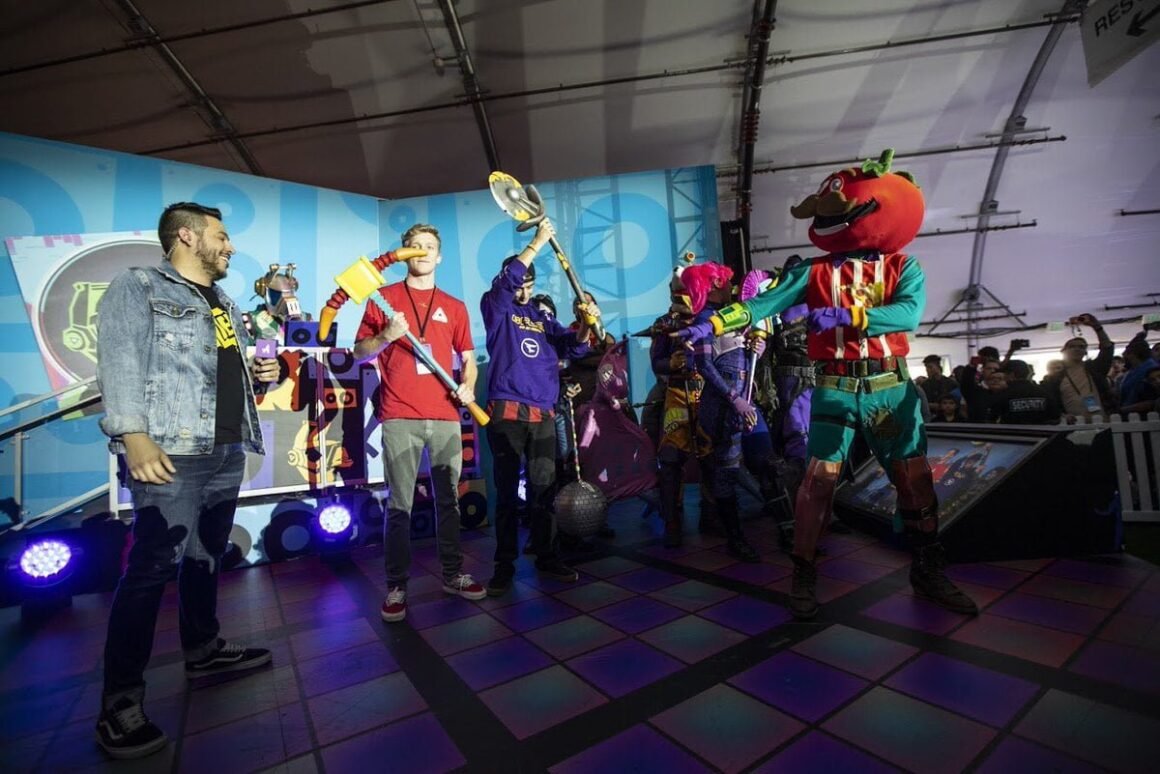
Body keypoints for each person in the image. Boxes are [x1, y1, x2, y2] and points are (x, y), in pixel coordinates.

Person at [675, 149, 976, 620]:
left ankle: (927, 568)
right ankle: (803, 573)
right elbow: (762, 304)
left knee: (913, 481)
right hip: (835, 388)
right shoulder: (813, 272)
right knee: (817, 483)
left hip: (889, 388)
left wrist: (850, 316)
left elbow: (908, 314)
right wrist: (711, 324)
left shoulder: (903, 267)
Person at [94, 202, 280, 759]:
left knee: (205, 556)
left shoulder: (224, 302)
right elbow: (119, 359)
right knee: (152, 567)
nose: (230, 246)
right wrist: (132, 434)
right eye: (221, 236)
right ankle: (120, 702)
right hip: (171, 449)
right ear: (186, 236)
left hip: (226, 448)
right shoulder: (139, 285)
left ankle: (202, 649)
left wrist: (262, 377)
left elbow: (220, 377)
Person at [353, 223, 486, 623]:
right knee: (400, 504)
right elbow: (360, 353)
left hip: (446, 415)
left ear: (439, 256)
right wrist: (387, 335)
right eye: (414, 246)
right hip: (399, 414)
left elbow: (468, 361)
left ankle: (453, 575)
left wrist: (468, 386)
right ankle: (396, 586)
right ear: (404, 253)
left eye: (429, 246)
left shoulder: (455, 306)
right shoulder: (384, 299)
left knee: (449, 501)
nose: (422, 251)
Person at [481, 220, 600, 595]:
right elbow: (506, 285)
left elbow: (574, 347)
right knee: (506, 494)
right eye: (519, 284)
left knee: (545, 491)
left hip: (544, 414)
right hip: (507, 411)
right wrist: (538, 241)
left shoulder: (542, 317)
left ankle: (547, 556)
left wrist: (585, 324)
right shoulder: (496, 307)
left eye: (528, 285)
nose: (523, 291)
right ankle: (504, 566)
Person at [1041, 314, 1114, 421]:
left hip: (1103, 421)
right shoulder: (1055, 377)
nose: (1077, 349)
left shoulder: (1094, 369)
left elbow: (1107, 349)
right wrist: (1062, 415)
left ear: (1085, 352)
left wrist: (1097, 327)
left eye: (1081, 347)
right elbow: (1050, 403)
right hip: (1074, 424)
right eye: (1072, 346)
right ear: (1063, 351)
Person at [990, 360, 1060, 424]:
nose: (1004, 377)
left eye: (1005, 374)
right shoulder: (1043, 392)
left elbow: (992, 419)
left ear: (1012, 375)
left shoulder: (1002, 395)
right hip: (1040, 433)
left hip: (1011, 433)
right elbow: (1055, 417)